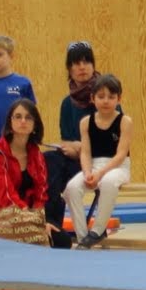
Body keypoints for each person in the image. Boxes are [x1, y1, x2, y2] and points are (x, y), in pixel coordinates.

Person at [65, 74, 133, 248]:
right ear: (92, 98)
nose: (106, 101)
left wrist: (100, 174)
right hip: (94, 166)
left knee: (108, 182)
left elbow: (121, 154)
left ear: (119, 99)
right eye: (101, 97)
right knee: (71, 188)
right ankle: (82, 237)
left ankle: (98, 230)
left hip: (118, 167)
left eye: (111, 97)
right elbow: (86, 153)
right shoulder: (86, 122)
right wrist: (88, 172)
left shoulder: (124, 121)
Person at [0, 98, 51, 236]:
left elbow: (41, 192)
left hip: (28, 217)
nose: (23, 121)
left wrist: (38, 219)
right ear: (10, 122)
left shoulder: (36, 154)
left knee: (61, 240)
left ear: (35, 124)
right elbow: (6, 196)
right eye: (18, 116)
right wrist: (32, 221)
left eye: (28, 117)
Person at [52, 40, 98, 205]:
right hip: (76, 160)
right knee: (48, 161)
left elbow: (114, 141)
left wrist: (81, 148)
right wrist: (70, 148)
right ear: (69, 69)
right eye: (77, 63)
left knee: (58, 173)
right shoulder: (67, 103)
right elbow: (66, 140)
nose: (82, 67)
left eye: (86, 62)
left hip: (101, 162)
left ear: (93, 66)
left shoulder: (105, 96)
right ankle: (52, 215)